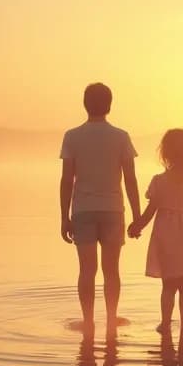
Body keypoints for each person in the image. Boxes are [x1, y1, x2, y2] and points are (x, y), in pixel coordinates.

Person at [60, 83, 141, 336]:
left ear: (85, 104)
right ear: (109, 105)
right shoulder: (121, 136)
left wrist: (64, 217)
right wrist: (137, 216)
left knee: (87, 270)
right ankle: (111, 318)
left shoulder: (72, 136)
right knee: (111, 270)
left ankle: (88, 321)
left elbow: (66, 180)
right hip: (112, 211)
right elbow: (130, 179)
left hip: (83, 210)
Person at [127, 129, 183, 335]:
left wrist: (136, 226)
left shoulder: (159, 182)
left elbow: (149, 212)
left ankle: (165, 323)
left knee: (168, 285)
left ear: (165, 154)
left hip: (166, 237)